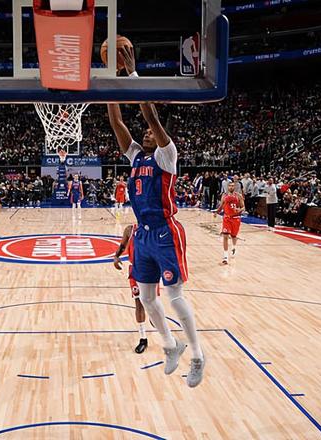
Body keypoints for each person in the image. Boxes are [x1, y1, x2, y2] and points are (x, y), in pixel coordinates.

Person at [106, 45, 205, 388]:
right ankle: (170, 345)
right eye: (145, 133)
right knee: (147, 298)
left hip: (165, 231)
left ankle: (197, 355)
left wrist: (132, 75)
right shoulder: (136, 156)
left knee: (175, 297)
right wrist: (110, 83)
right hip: (143, 235)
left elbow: (150, 116)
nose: (146, 133)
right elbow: (117, 122)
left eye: (150, 132)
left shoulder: (167, 154)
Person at [113, 224, 149, 354]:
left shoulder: (153, 228)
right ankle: (143, 338)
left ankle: (156, 318)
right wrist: (116, 257)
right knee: (139, 303)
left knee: (151, 304)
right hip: (135, 269)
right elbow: (122, 246)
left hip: (150, 269)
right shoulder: (130, 229)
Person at [215, 181, 245, 265]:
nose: (231, 187)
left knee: (233, 236)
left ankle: (234, 247)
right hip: (227, 218)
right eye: (230, 186)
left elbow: (243, 207)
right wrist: (217, 212)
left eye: (232, 186)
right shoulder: (224, 195)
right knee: (225, 236)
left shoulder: (238, 196)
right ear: (227, 187)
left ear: (234, 187)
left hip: (235, 218)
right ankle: (225, 257)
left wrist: (239, 210)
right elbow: (221, 205)